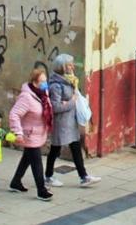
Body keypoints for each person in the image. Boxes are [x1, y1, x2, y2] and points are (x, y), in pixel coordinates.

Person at [45, 54, 101, 188]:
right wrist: (72, 101)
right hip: (62, 123)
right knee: (55, 150)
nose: (73, 67)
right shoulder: (56, 85)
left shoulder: (70, 80)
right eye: (70, 65)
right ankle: (48, 176)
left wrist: (71, 100)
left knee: (76, 148)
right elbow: (56, 107)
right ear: (63, 67)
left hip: (71, 122)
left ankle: (84, 176)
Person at [8, 67, 54, 201]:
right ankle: (41, 190)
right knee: (36, 160)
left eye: (46, 81)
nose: (46, 84)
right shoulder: (26, 97)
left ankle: (16, 182)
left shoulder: (43, 93)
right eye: (42, 81)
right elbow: (14, 114)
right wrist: (17, 132)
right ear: (34, 82)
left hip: (39, 132)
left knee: (27, 158)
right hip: (29, 134)